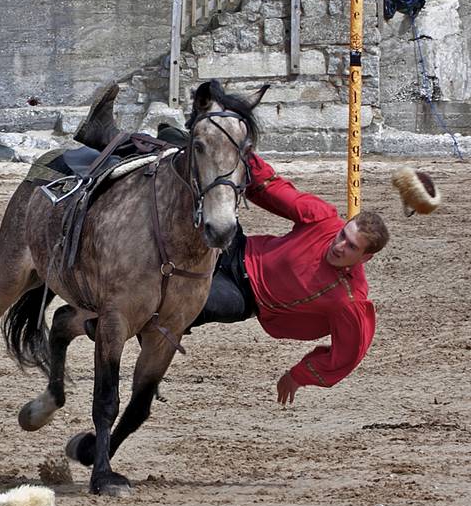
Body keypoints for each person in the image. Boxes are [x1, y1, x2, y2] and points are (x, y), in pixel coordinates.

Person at [74, 82, 390, 406]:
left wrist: (300, 374)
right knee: (184, 148)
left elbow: (347, 354)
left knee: (181, 304)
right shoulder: (324, 219)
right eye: (343, 235)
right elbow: (272, 189)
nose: (339, 245)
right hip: (236, 247)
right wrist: (231, 148)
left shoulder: (349, 301)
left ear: (364, 259)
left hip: (244, 296)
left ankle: (128, 334)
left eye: (351, 247)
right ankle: (103, 135)